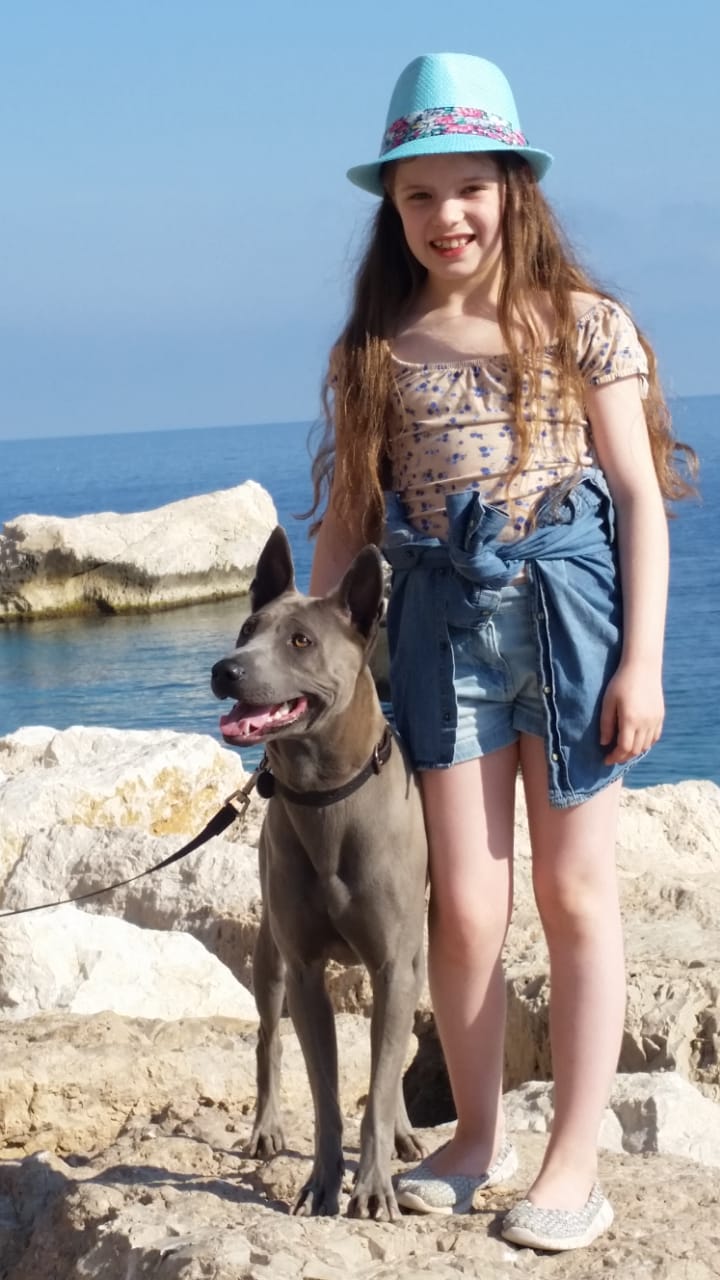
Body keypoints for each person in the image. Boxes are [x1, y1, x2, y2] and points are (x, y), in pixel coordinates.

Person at [308, 51, 695, 1252]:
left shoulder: (583, 324)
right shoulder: (378, 346)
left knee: (576, 893)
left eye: (469, 187)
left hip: (570, 623)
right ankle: (475, 1136)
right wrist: (311, 672)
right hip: (437, 634)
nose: (448, 216)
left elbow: (638, 499)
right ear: (393, 209)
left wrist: (643, 664)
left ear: (514, 187)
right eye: (419, 195)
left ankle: (573, 1162)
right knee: (468, 907)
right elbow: (346, 527)